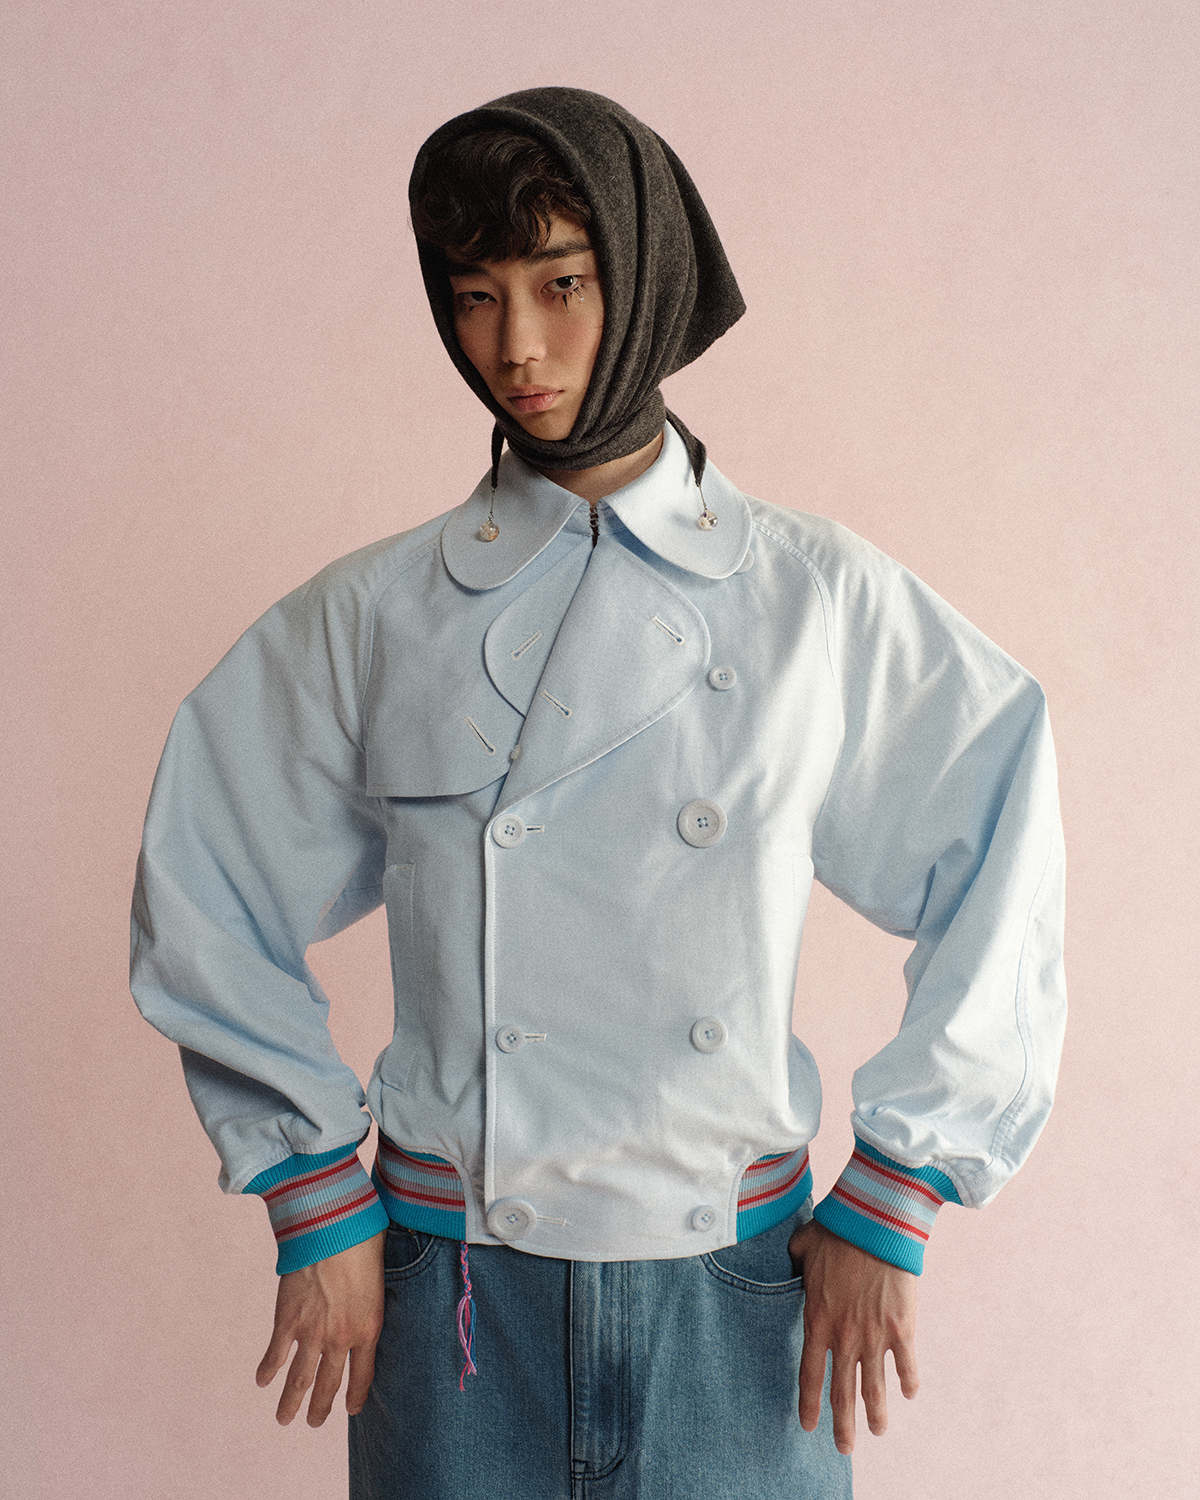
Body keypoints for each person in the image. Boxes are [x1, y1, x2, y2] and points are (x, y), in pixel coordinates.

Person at [131, 87, 1066, 1499]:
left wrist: (901, 1186)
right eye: (475, 296)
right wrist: (311, 1194)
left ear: (644, 277)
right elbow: (204, 876)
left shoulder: (814, 601)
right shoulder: (376, 616)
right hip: (452, 1293)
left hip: (739, 1294)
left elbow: (1002, 837)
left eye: (560, 284)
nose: (516, 345)